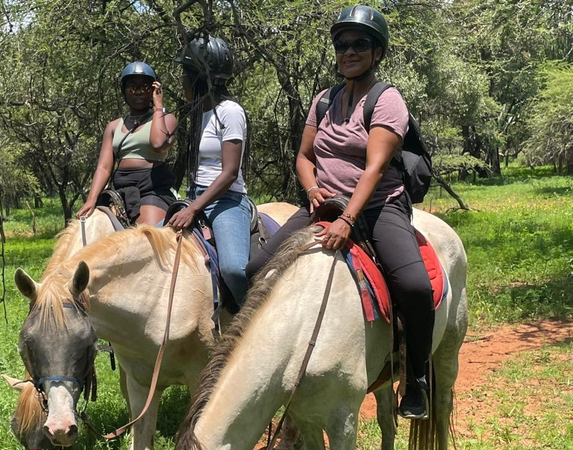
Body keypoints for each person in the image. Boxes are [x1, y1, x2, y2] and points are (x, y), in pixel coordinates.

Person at [246, 5, 434, 420]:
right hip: (325, 203)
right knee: (254, 269)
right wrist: (312, 189)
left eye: (359, 44)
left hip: (376, 206)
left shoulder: (387, 100)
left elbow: (375, 167)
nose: (348, 51)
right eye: (342, 44)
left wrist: (349, 218)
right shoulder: (323, 100)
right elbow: (303, 156)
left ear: (377, 51)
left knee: (416, 286)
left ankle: (416, 377)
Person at [167, 36, 251, 312]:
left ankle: (252, 319)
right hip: (195, 195)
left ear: (200, 78)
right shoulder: (196, 112)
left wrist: (193, 209)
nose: (182, 81)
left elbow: (229, 173)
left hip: (226, 199)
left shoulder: (230, 112)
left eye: (186, 75)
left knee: (234, 268)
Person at [77, 62, 178, 225]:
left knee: (149, 237)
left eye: (144, 87)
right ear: (124, 91)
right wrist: (91, 199)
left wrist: (159, 106)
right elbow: (104, 167)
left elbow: (159, 144)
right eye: (132, 87)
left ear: (154, 90)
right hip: (120, 188)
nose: (138, 92)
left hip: (152, 187)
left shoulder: (167, 119)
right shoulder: (113, 126)